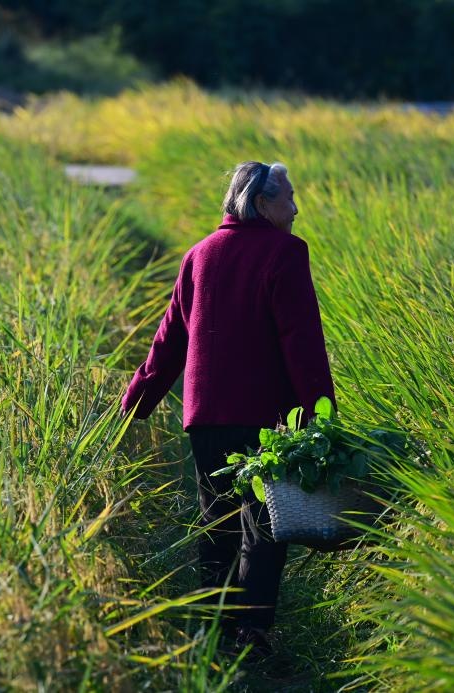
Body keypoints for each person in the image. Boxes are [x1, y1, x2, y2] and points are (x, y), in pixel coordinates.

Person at [119, 161, 337, 655]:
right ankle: (252, 630)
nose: (296, 208)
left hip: (206, 413)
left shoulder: (199, 254)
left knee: (215, 517)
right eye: (289, 198)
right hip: (266, 417)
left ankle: (212, 627)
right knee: (264, 521)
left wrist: (135, 403)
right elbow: (301, 340)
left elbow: (169, 337)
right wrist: (323, 415)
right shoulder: (286, 252)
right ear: (262, 203)